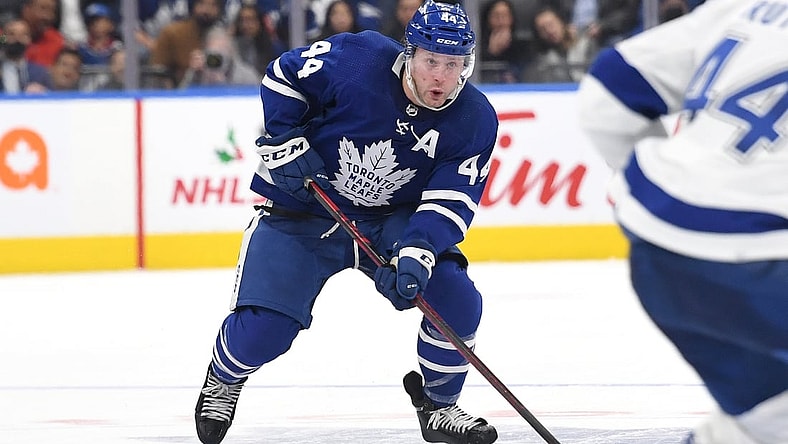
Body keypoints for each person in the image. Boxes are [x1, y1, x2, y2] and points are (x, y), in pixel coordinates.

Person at [193, 1, 500, 443]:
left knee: (455, 300)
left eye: (453, 65)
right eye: (432, 61)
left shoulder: (473, 118)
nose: (441, 76)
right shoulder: (358, 59)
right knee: (265, 330)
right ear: (409, 53)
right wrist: (283, 140)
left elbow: (451, 200)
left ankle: (439, 406)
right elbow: (283, 75)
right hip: (303, 207)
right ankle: (224, 376)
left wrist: (417, 252)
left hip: (391, 220)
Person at [576, 1, 788, 443]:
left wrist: (661, 192)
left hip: (659, 246)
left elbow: (606, 95)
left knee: (767, 417)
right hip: (766, 254)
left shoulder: (747, 6)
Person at [147, 0, 225, 88]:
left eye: (213, 5)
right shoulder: (172, 33)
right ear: (193, 6)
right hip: (178, 95)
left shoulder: (224, 37)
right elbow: (157, 74)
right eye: (201, 4)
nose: (206, 10)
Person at [523, 5, 597, 83]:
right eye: (542, 29)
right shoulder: (542, 61)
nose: (549, 31)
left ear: (561, 22)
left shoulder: (586, 44)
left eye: (551, 24)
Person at [179, 26, 260, 87]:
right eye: (213, 53)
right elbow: (181, 98)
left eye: (222, 52)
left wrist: (223, 83)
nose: (216, 58)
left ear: (231, 53)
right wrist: (193, 74)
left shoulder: (247, 76)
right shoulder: (199, 72)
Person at [478, 0, 532, 84]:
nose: (501, 21)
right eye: (496, 16)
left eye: (505, 16)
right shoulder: (477, 47)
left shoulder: (524, 47)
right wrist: (491, 53)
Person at [1, 18, 52, 94]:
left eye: (23, 35)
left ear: (29, 39)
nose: (17, 39)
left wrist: (44, 92)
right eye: (12, 34)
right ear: (3, 39)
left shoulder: (40, 72)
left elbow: (53, 98)